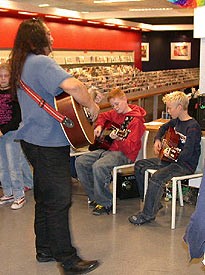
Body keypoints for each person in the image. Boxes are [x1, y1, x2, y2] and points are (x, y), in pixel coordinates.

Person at [9, 18, 100, 274]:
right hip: (49, 144)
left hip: (32, 141)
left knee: (44, 198)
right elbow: (74, 86)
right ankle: (68, 260)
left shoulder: (22, 63)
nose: (53, 38)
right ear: (38, 37)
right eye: (49, 34)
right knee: (60, 200)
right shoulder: (41, 62)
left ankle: (45, 248)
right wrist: (91, 106)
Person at [128, 91, 201, 226]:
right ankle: (152, 202)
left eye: (169, 108)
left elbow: (188, 153)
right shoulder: (176, 121)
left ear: (179, 107)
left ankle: (147, 215)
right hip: (171, 161)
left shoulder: (193, 127)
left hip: (184, 165)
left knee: (157, 177)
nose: (167, 110)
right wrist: (157, 140)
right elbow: (162, 128)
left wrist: (169, 152)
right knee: (139, 165)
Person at [75, 88, 146, 215]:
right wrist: (99, 126)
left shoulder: (136, 121)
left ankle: (105, 202)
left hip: (124, 154)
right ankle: (95, 197)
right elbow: (102, 116)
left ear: (125, 99)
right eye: (112, 105)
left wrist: (119, 138)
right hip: (108, 148)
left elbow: (130, 148)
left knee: (99, 166)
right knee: (80, 162)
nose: (115, 108)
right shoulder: (115, 114)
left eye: (117, 104)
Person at [0, 62, 32, 210]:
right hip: (1, 134)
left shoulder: (16, 94)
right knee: (2, 166)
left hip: (11, 134)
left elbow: (17, 117)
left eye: (6, 76)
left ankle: (19, 195)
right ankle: (8, 192)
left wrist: (3, 130)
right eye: (0, 76)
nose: (3, 79)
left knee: (14, 166)